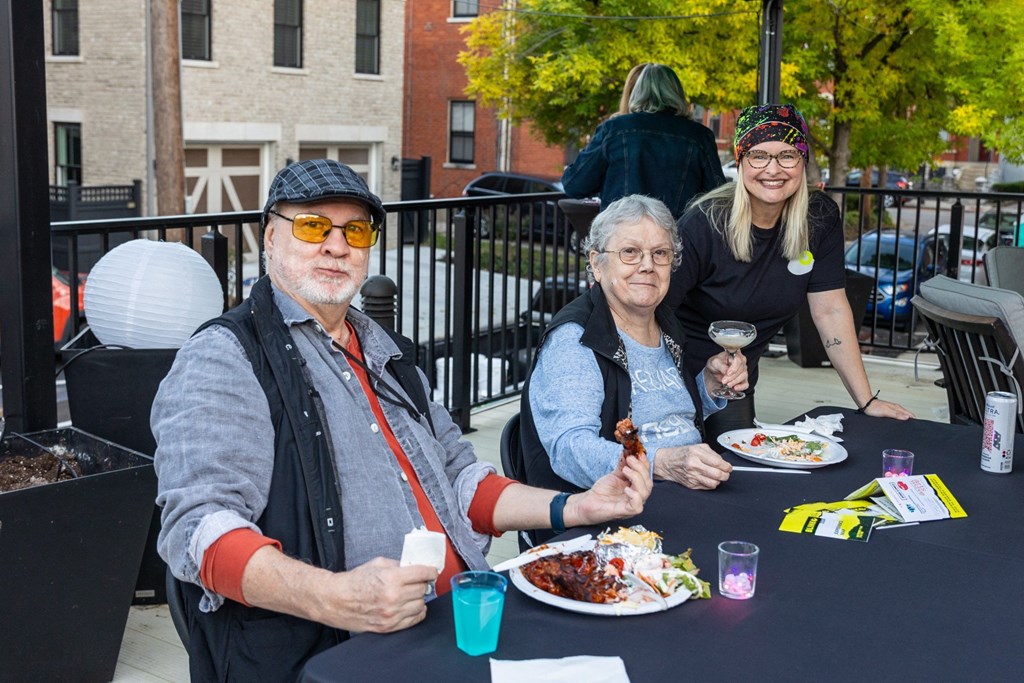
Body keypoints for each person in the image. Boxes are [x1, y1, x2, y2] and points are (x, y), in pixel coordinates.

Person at [152, 159, 654, 681]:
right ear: (270, 239)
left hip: (462, 624)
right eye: (312, 226)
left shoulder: (384, 350)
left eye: (355, 229)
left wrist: (577, 506)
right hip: (341, 652)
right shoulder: (227, 355)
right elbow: (199, 529)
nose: (336, 244)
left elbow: (462, 482)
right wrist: (333, 597)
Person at [666, 104, 914, 442]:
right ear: (740, 161)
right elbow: (654, 312)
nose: (773, 169)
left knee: (738, 477)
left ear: (803, 162)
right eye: (758, 155)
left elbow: (830, 310)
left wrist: (866, 399)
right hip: (672, 379)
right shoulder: (705, 223)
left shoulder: (819, 217)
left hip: (736, 382)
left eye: (787, 155)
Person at [519, 195, 746, 525]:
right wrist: (661, 462)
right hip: (621, 515)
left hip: (688, 494)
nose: (647, 265)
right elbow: (571, 451)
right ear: (597, 263)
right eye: (630, 252)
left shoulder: (666, 322)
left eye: (660, 253)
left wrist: (708, 388)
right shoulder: (577, 340)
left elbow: (670, 417)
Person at [561, 63, 727, 219]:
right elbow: (718, 199)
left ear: (637, 93)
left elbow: (574, 185)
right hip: (676, 240)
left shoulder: (614, 130)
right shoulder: (700, 136)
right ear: (677, 93)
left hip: (621, 238)